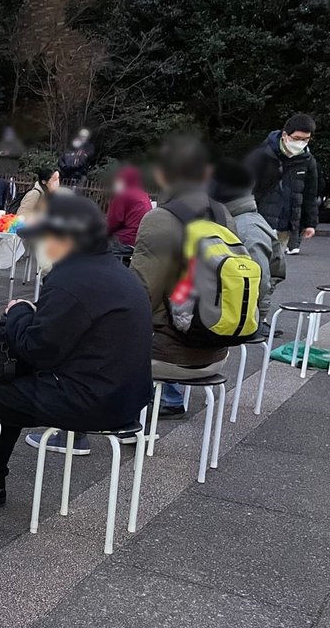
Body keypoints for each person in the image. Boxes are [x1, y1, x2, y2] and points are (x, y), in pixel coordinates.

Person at [0, 193, 153, 513]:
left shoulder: (72, 280)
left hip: (94, 400)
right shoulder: (112, 269)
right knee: (8, 392)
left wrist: (18, 312)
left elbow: (38, 350)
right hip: (126, 395)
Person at [131, 134, 234, 417]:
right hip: (218, 352)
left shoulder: (160, 219)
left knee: (95, 332)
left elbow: (140, 295)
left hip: (168, 357)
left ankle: (100, 423)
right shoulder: (224, 215)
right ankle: (171, 397)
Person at [209, 158, 282, 319]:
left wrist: (255, 312)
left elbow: (259, 281)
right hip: (236, 308)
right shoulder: (235, 219)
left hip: (241, 314)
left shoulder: (247, 229)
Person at [246, 113, 318, 255]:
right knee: (257, 262)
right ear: (285, 135)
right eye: (296, 138)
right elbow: (245, 190)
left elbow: (310, 194)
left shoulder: (307, 160)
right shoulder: (262, 155)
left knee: (277, 265)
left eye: (306, 139)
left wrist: (310, 223)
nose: (301, 143)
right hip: (260, 223)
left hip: (286, 226)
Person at [106, 165, 152, 257]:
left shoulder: (123, 194)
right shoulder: (143, 194)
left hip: (125, 240)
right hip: (141, 240)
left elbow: (113, 221)